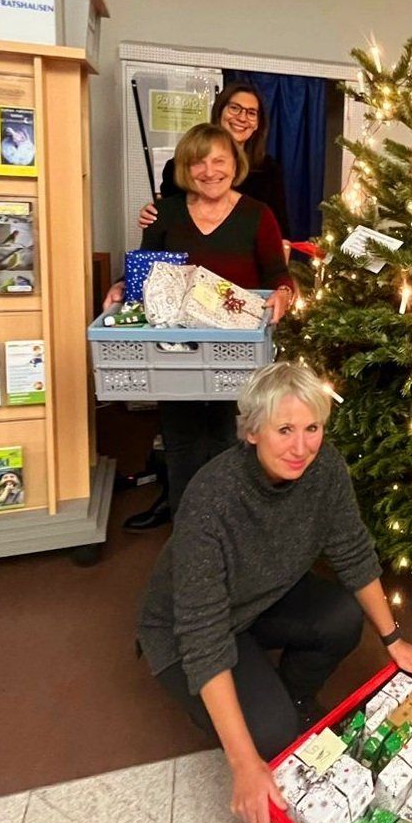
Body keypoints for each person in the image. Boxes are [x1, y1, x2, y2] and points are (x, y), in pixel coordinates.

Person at [136, 362, 412, 823]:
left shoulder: (325, 469)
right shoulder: (211, 499)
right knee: (269, 736)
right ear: (252, 431)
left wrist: (394, 640)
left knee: (341, 617)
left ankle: (292, 696)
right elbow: (202, 634)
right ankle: (272, 717)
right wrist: (244, 764)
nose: (302, 447)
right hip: (185, 632)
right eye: (285, 430)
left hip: (257, 600)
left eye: (312, 428)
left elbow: (353, 552)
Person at [104, 123, 295, 527]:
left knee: (232, 433)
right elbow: (143, 274)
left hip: (236, 346)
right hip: (176, 346)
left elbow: (278, 272)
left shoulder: (258, 215)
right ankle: (187, 521)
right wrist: (121, 287)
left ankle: (230, 519)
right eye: (198, 163)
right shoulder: (165, 213)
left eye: (219, 161)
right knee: (181, 433)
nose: (209, 171)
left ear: (235, 164)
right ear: (185, 168)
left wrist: (283, 293)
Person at [140, 81, 291, 237]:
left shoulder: (268, 169)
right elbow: (168, 216)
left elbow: (281, 231)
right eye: (234, 108)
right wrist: (151, 214)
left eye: (251, 113)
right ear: (219, 112)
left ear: (258, 124)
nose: (242, 117)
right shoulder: (178, 164)